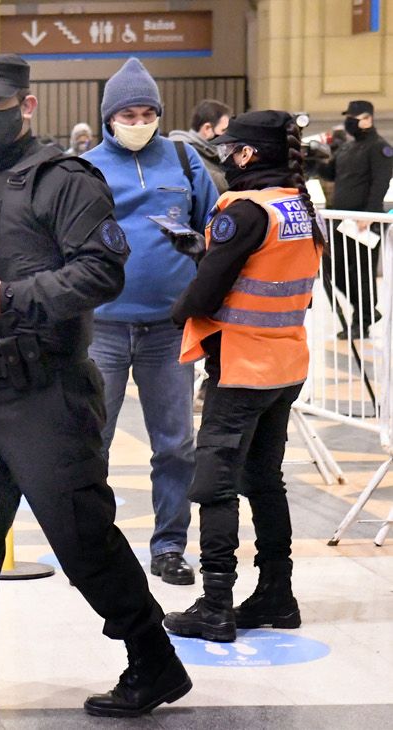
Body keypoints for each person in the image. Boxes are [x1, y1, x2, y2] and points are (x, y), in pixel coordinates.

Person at [0, 54, 190, 725]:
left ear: (26, 106)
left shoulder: (66, 181)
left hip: (48, 392)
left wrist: (18, 299)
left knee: (83, 540)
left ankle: (152, 658)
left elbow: (102, 271)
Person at [165, 111, 323, 642]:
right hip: (286, 365)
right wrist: (207, 252)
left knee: (215, 484)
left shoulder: (244, 209)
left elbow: (207, 293)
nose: (226, 159)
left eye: (232, 151)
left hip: (243, 366)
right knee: (264, 480)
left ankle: (215, 605)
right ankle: (277, 595)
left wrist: (175, 310)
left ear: (248, 154)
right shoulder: (298, 206)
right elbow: (267, 273)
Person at [82, 57, 220, 586]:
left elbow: (216, 228)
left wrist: (201, 245)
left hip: (168, 327)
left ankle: (169, 545)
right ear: (109, 117)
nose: (138, 122)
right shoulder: (86, 167)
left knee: (176, 443)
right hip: (103, 328)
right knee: (94, 439)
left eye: (147, 112)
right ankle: (94, 542)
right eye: (128, 113)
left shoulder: (184, 163)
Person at [318, 100, 393, 339]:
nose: (350, 121)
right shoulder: (347, 148)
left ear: (368, 119)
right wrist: (313, 158)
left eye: (354, 117)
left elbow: (380, 182)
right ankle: (368, 311)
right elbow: (329, 173)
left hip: (363, 222)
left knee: (362, 274)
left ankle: (362, 321)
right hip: (341, 222)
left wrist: (368, 215)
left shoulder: (380, 147)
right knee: (334, 269)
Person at [168, 99, 233, 193]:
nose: (227, 137)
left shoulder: (207, 151)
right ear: (207, 129)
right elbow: (219, 184)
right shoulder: (185, 152)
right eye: (223, 131)